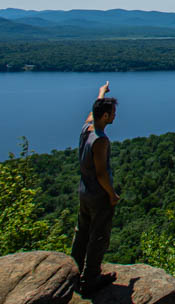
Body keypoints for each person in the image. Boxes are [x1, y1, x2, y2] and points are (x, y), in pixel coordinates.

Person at [71, 81, 120, 296]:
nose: (114, 116)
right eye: (112, 113)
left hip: (83, 191)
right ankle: (91, 279)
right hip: (98, 194)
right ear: (105, 117)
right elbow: (101, 173)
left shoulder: (86, 128)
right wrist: (112, 194)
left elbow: (94, 109)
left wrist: (102, 91)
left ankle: (72, 272)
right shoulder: (100, 140)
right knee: (98, 236)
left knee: (82, 231)